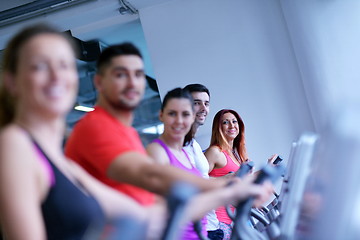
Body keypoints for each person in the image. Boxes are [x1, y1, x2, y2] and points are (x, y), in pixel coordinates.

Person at [65, 43, 274, 237]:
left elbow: (158, 200)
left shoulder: (126, 133)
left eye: (138, 74)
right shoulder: (97, 127)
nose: (132, 82)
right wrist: (233, 189)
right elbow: (151, 175)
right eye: (120, 74)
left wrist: (234, 187)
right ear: (99, 82)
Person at [0, 23, 166, 240]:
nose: (56, 76)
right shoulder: (14, 143)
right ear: (11, 82)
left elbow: (141, 216)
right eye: (39, 66)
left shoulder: (61, 161)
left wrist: (212, 192)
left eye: (64, 65)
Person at [146, 88, 274, 240]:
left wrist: (242, 186)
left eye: (186, 114)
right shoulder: (158, 151)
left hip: (209, 228)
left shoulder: (190, 149)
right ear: (162, 115)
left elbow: (202, 184)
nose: (180, 120)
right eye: (173, 113)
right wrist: (236, 186)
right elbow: (185, 195)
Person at [183, 84, 223, 240]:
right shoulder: (179, 146)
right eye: (196, 102)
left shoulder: (195, 145)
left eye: (206, 103)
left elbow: (203, 179)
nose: (203, 108)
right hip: (199, 230)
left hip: (212, 225)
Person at [204, 109, 249, 239]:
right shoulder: (215, 152)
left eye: (234, 121)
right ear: (218, 128)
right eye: (225, 122)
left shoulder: (236, 154)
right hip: (221, 223)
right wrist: (224, 179)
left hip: (235, 220)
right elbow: (198, 181)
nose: (231, 125)